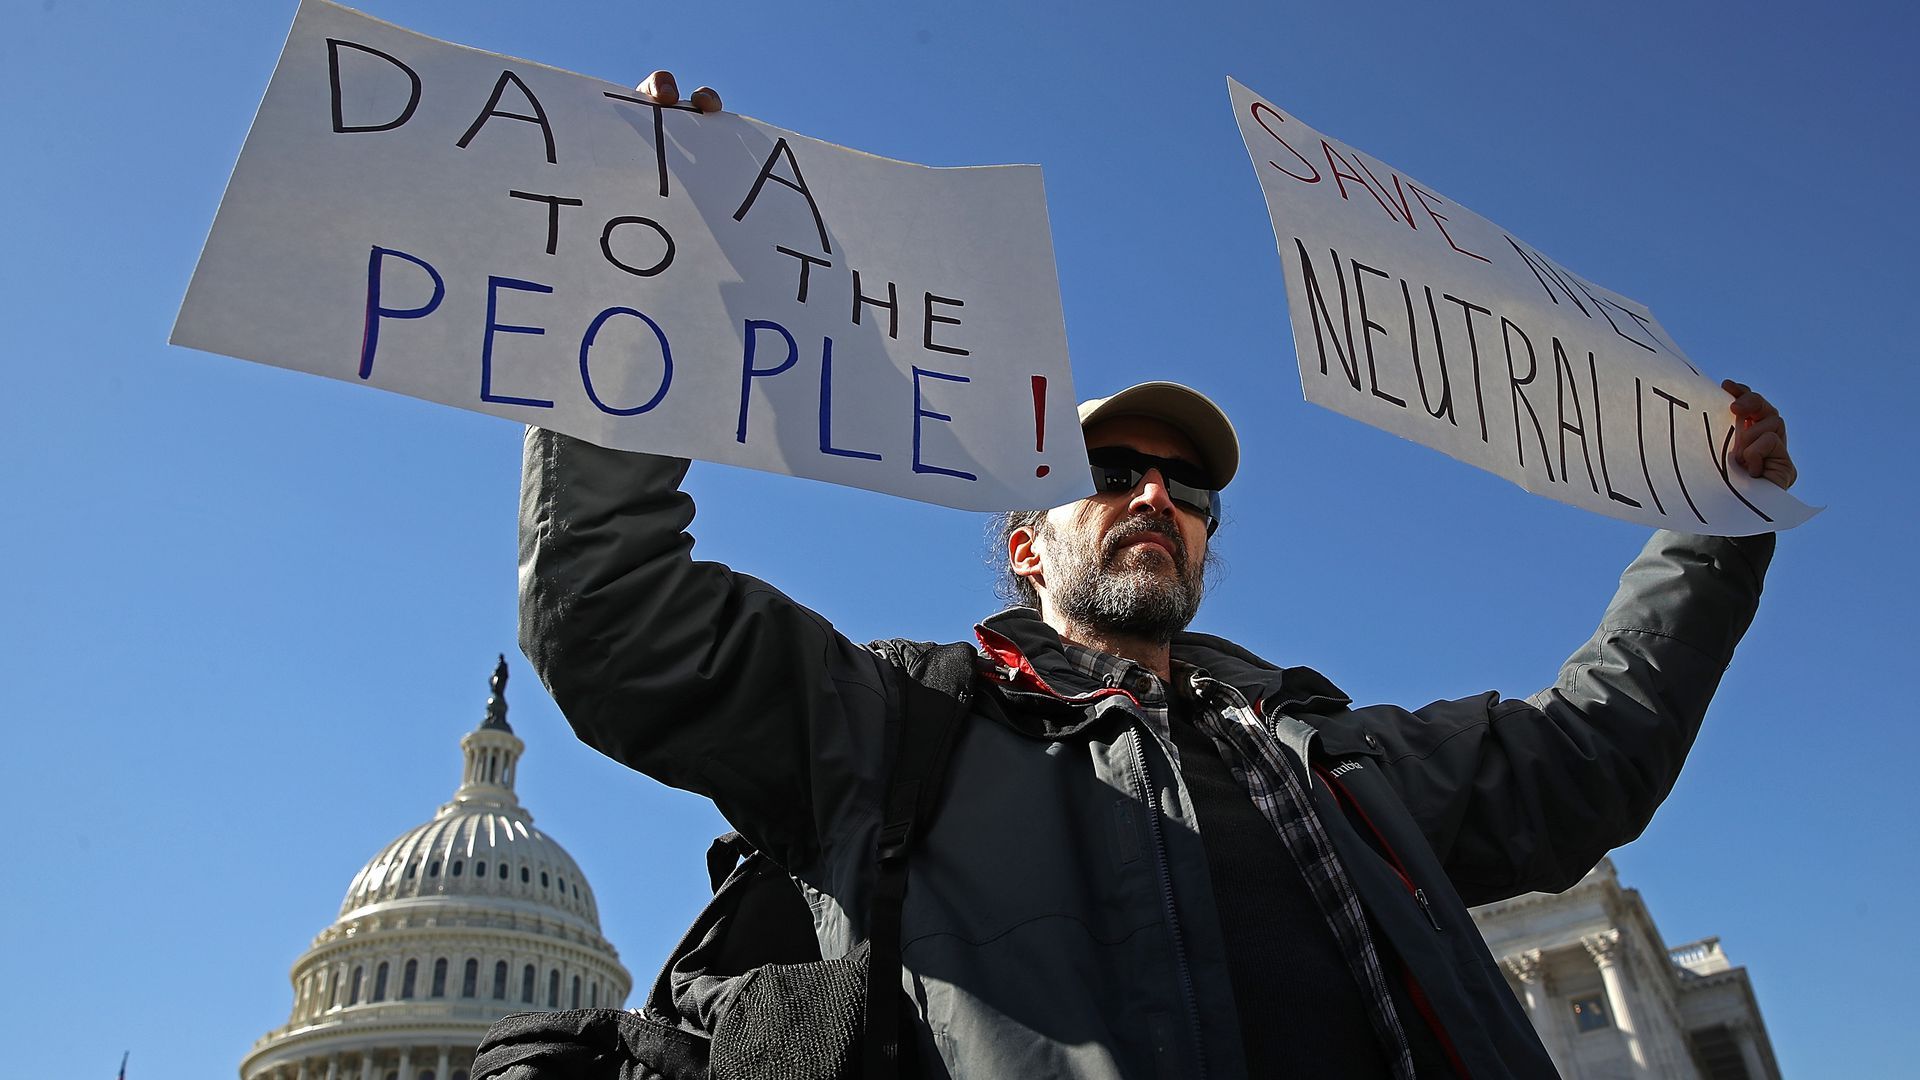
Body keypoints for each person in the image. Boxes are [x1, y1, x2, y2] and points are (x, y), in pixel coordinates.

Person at [518, 72, 1795, 1079]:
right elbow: (618, 616)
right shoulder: (894, 726)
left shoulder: (1351, 764)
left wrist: (1714, 524)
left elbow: (1598, 747)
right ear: (1027, 548)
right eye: (1111, 469)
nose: (1154, 496)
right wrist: (647, 285)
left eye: (1187, 488)